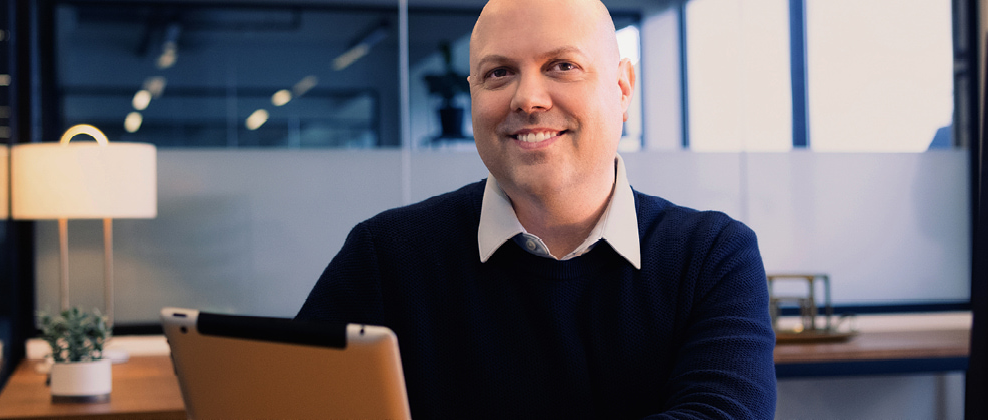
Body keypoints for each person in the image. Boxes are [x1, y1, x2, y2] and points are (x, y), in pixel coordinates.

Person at [295, 0, 776, 418]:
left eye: (562, 65)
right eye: (499, 73)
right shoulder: (387, 256)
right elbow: (288, 405)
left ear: (623, 88)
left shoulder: (711, 257)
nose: (527, 99)